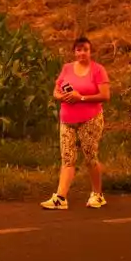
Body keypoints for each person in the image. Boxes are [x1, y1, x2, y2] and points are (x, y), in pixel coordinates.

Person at [42, 36, 111, 210]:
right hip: (67, 119)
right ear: (74, 52)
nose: (82, 53)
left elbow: (105, 96)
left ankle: (97, 194)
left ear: (90, 51)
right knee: (67, 158)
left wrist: (80, 97)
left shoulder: (98, 70)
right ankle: (60, 198)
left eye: (85, 50)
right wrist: (61, 96)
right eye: (78, 50)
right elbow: (56, 90)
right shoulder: (66, 68)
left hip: (90, 119)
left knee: (90, 157)